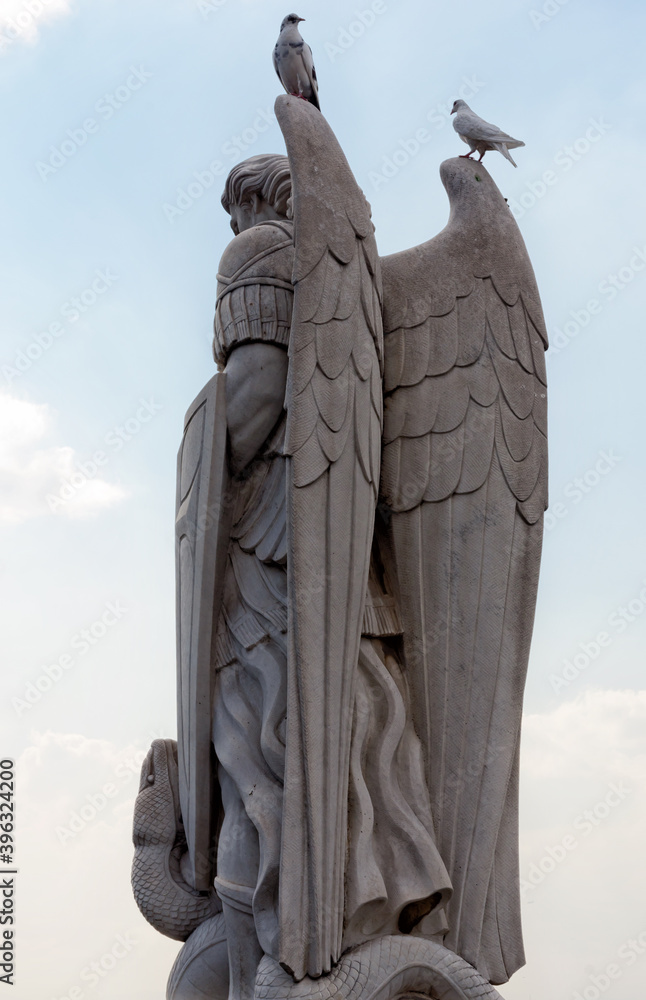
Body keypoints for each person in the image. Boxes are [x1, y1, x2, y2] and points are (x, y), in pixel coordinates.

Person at [211, 154, 450, 1000]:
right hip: (353, 569)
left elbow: (253, 399)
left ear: (248, 206)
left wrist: (196, 453)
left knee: (256, 763)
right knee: (366, 750)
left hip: (275, 561)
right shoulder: (358, 284)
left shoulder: (262, 254)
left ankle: (283, 959)